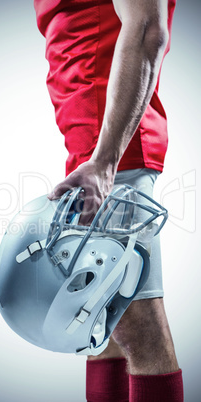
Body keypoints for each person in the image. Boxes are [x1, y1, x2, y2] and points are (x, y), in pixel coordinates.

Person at [33, 0, 183, 401]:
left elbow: (148, 28)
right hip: (93, 154)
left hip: (113, 159)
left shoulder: (109, 160)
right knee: (100, 328)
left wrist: (105, 161)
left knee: (139, 330)